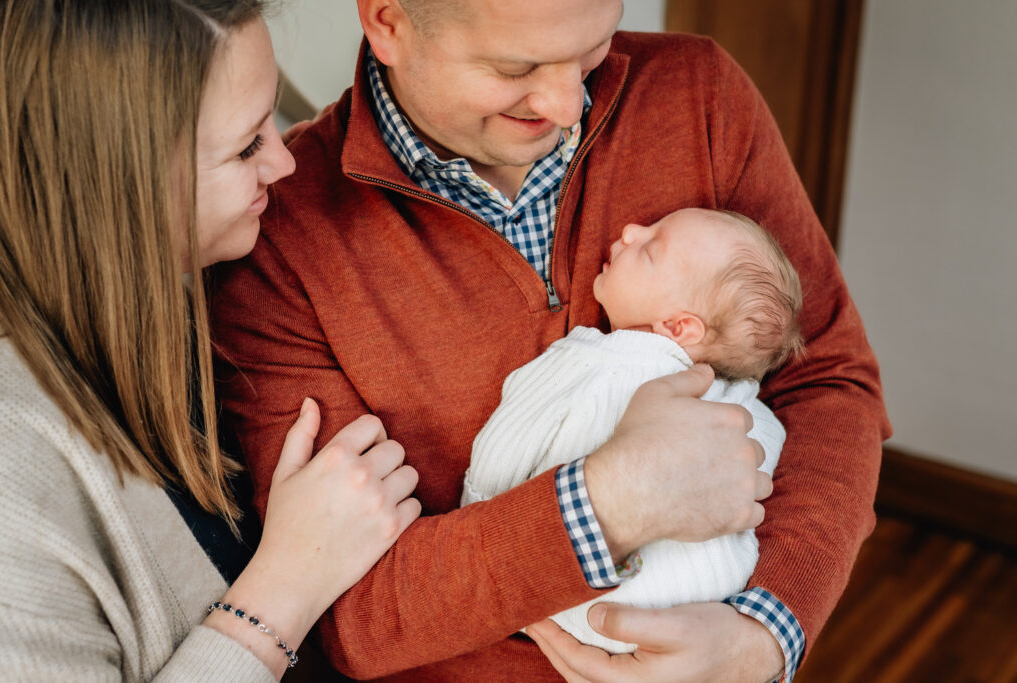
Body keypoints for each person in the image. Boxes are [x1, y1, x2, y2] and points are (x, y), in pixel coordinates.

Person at [208, 0, 891, 680]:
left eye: (592, 48)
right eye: (518, 66)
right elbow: (343, 610)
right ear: (388, 21)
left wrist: (767, 632)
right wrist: (605, 505)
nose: (570, 105)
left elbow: (828, 379)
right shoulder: (277, 236)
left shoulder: (699, 94)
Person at [0, 1, 419, 680]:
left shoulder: (206, 287)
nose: (284, 162)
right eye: (247, 145)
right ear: (119, 184)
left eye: (273, 121)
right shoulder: (9, 479)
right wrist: (287, 585)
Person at [461, 208, 804, 653]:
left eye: (650, 249)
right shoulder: (741, 400)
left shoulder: (588, 361)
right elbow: (767, 454)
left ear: (678, 326)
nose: (629, 229)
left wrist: (477, 508)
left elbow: (509, 440)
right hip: (711, 603)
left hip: (594, 607)